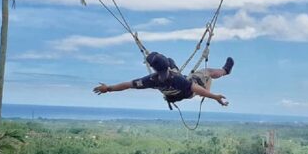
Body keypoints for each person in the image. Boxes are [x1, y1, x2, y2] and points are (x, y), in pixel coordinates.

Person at [93, 52, 234, 107]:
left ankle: (161, 61)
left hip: (174, 95)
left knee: (173, 61)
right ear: (167, 67)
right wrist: (215, 97)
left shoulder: (150, 80)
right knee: (207, 71)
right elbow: (197, 89)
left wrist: (108, 88)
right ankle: (225, 71)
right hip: (188, 91)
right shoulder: (178, 79)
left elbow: (127, 85)